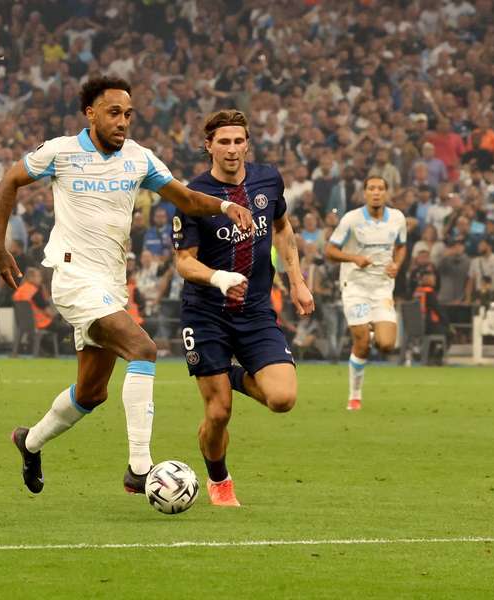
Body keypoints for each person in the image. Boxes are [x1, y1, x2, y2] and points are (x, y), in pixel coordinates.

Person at [0, 76, 253, 496]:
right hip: (74, 277)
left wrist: (225, 204)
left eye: (128, 114)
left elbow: (185, 199)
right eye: (114, 112)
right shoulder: (61, 151)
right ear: (90, 113)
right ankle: (140, 467)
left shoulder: (139, 159)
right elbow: (9, 181)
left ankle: (30, 441)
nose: (122, 122)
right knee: (143, 348)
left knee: (92, 392)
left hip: (112, 283)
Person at [173, 109, 314, 507]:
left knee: (283, 399)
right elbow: (184, 262)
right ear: (208, 146)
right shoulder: (194, 195)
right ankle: (220, 480)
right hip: (206, 314)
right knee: (218, 413)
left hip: (255, 313)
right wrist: (220, 278)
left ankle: (230, 376)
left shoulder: (268, 180)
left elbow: (283, 227)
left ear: (247, 143)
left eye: (238, 141)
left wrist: (297, 281)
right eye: (223, 142)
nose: (232, 149)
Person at [325, 176, 407, 410]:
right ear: (365, 193)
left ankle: (372, 330)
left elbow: (401, 246)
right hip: (356, 286)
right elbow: (330, 251)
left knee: (387, 344)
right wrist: (354, 258)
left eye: (380, 188)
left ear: (387, 193)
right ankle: (355, 396)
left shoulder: (398, 219)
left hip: (382, 288)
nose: (376, 193)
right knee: (361, 341)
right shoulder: (352, 219)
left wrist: (397, 265)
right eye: (371, 188)